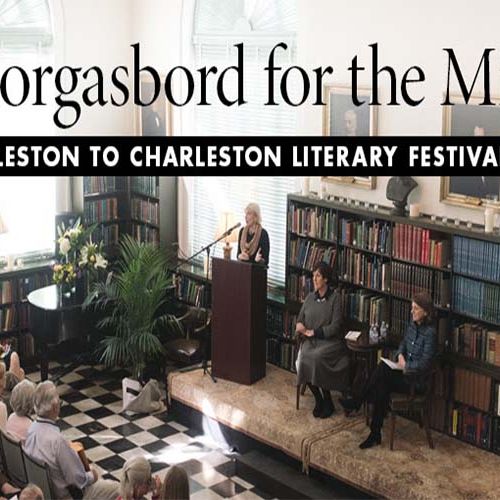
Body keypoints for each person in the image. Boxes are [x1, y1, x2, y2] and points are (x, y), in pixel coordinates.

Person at [340, 292, 437, 449]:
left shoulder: (430, 334)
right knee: (382, 385)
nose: (412, 311)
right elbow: (402, 345)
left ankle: (357, 401)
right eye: (412, 307)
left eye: (416, 308)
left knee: (382, 372)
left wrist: (406, 366)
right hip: (403, 373)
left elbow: (425, 364)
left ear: (426, 312)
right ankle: (374, 433)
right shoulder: (412, 325)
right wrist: (400, 356)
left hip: (415, 382)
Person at [24, 381, 119, 500]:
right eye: (60, 403)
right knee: (118, 488)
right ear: (54, 407)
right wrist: (93, 475)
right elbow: (78, 480)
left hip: (44, 491)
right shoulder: (58, 441)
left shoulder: (31, 429)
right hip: (68, 496)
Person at [295, 262, 349, 418]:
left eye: (318, 276)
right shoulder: (310, 297)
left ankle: (328, 399)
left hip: (330, 342)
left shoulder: (335, 298)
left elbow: (336, 326)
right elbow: (300, 319)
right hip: (310, 341)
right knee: (304, 357)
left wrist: (315, 332)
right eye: (313, 275)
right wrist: (299, 325)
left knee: (317, 358)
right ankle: (318, 398)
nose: (314, 279)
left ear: (325, 279)